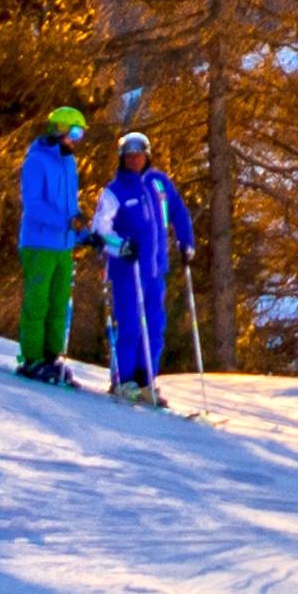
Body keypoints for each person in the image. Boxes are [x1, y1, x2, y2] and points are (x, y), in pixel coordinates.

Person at [101, 133, 200, 406]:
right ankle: (123, 379)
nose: (135, 160)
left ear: (147, 155)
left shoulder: (160, 183)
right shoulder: (115, 190)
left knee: (155, 325)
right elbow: (101, 229)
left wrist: (186, 241)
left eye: (139, 154)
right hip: (128, 269)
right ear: (122, 159)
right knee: (131, 323)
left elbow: (178, 212)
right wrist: (120, 246)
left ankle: (146, 380)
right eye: (129, 156)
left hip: (155, 268)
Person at [11, 106, 95, 386]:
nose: (76, 139)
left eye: (80, 134)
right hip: (38, 243)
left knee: (60, 304)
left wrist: (84, 233)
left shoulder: (68, 163)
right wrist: (67, 222)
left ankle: (51, 356)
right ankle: (32, 358)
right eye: (73, 132)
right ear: (58, 129)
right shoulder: (36, 161)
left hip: (62, 246)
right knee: (38, 301)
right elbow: (34, 206)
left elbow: (69, 207)